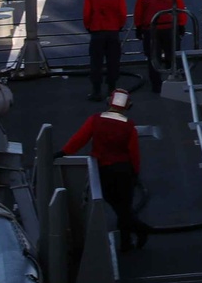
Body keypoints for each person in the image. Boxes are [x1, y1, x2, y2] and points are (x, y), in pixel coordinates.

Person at [61, 88, 148, 251]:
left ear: (109, 102)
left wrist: (63, 152)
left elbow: (79, 139)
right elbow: (134, 153)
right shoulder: (129, 126)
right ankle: (128, 240)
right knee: (124, 207)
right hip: (124, 172)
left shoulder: (95, 120)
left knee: (116, 205)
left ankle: (136, 233)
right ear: (127, 106)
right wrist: (135, 173)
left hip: (105, 171)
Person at [134, 0, 188, 93]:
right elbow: (180, 10)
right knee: (174, 56)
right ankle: (175, 81)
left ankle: (156, 86)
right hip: (170, 28)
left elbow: (139, 13)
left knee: (153, 59)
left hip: (151, 30)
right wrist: (181, 25)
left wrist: (138, 28)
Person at [82, 0, 127, 101]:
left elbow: (86, 14)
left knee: (96, 62)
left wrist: (89, 27)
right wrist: (118, 26)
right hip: (113, 32)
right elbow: (122, 14)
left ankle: (96, 91)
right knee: (113, 61)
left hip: (96, 32)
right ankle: (112, 89)